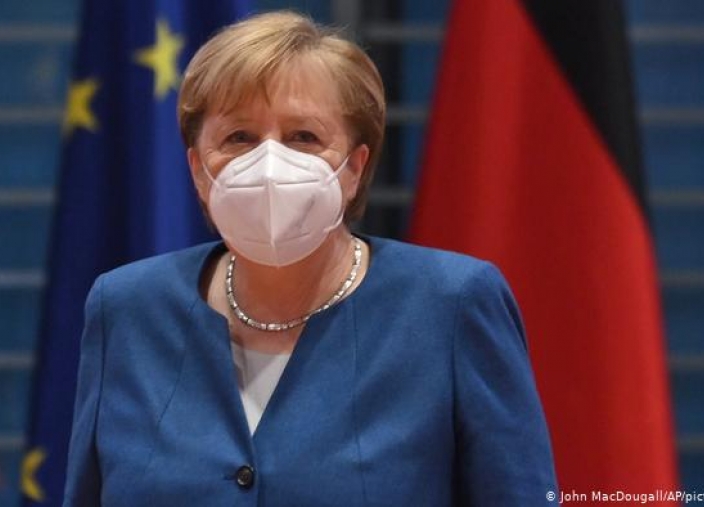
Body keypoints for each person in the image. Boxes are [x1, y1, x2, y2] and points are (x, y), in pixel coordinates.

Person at [63, 10, 557, 506]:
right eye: (239, 137)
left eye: (304, 137)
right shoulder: (126, 308)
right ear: (197, 169)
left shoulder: (450, 305)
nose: (269, 166)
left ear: (354, 168)